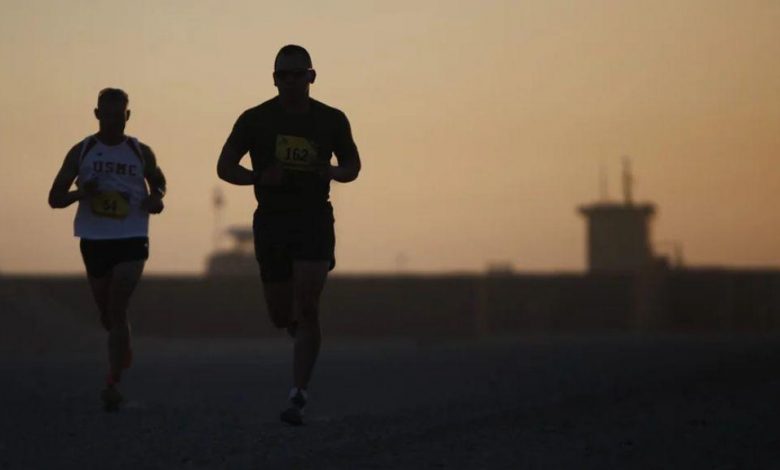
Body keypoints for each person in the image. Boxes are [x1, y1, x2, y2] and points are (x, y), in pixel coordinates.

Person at [217, 45, 361, 425]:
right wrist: (258, 177)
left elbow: (352, 165)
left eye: (298, 74)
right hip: (272, 222)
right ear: (274, 79)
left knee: (309, 304)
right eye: (284, 75)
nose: (291, 81)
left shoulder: (332, 120)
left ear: (312, 76)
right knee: (281, 314)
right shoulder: (255, 120)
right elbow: (224, 166)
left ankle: (298, 394)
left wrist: (330, 171)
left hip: (314, 218)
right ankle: (298, 331)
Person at [48, 88, 166, 411]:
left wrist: (156, 199)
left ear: (128, 116)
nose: (114, 122)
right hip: (94, 238)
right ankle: (121, 343)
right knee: (108, 314)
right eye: (108, 115)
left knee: (117, 306)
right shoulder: (83, 150)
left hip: (131, 236)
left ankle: (112, 381)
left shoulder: (140, 151)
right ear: (97, 114)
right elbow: (55, 197)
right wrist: (80, 193)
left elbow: (158, 182)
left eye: (120, 116)